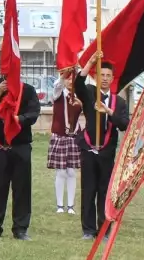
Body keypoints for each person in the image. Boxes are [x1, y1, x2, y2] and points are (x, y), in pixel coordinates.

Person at [73, 55, 130, 240]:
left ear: (112, 78)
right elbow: (78, 85)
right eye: (101, 74)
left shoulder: (119, 102)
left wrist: (109, 111)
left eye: (108, 75)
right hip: (89, 149)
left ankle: (104, 230)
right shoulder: (90, 93)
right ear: (96, 77)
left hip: (107, 152)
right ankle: (88, 230)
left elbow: (124, 124)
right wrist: (89, 63)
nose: (104, 78)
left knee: (104, 191)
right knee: (88, 190)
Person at [0, 75, 42, 240]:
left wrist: (19, 119)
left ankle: (20, 229)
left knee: (22, 188)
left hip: (20, 146)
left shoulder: (28, 90)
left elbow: (34, 112)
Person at [48, 67, 84, 216]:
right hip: (60, 137)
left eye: (72, 79)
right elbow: (57, 86)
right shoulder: (59, 94)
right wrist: (64, 76)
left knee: (71, 172)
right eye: (68, 79)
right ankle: (60, 205)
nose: (70, 81)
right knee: (61, 172)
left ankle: (70, 205)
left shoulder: (78, 97)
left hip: (73, 137)